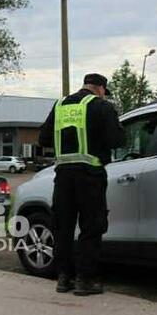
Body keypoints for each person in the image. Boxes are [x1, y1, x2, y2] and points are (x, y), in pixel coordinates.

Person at [38, 73, 124, 296]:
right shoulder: (101, 107)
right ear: (101, 89)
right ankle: (86, 280)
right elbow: (117, 140)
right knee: (91, 227)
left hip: (63, 176)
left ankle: (64, 278)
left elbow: (43, 139)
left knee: (63, 227)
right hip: (90, 176)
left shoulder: (59, 106)